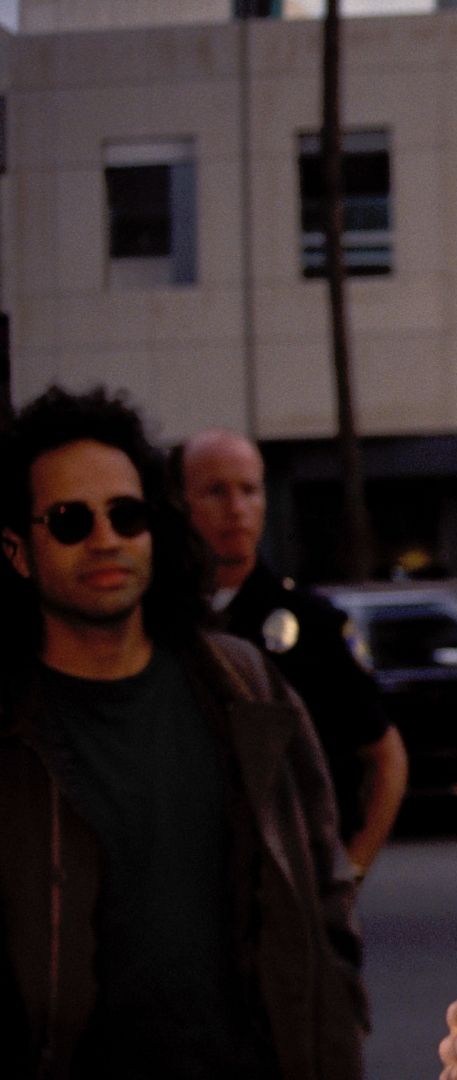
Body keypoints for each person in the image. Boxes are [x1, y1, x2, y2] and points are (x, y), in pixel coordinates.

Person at [0, 386, 366, 1078]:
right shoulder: (13, 728)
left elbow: (322, 905)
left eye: (126, 514)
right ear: (17, 551)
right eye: (71, 520)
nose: (106, 539)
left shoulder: (243, 688)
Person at [176, 429, 408, 881]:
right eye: (215, 491)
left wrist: (350, 872)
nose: (236, 509)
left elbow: (387, 757)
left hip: (293, 879)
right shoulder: (166, 624)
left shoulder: (310, 622)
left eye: (249, 489)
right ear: (182, 503)